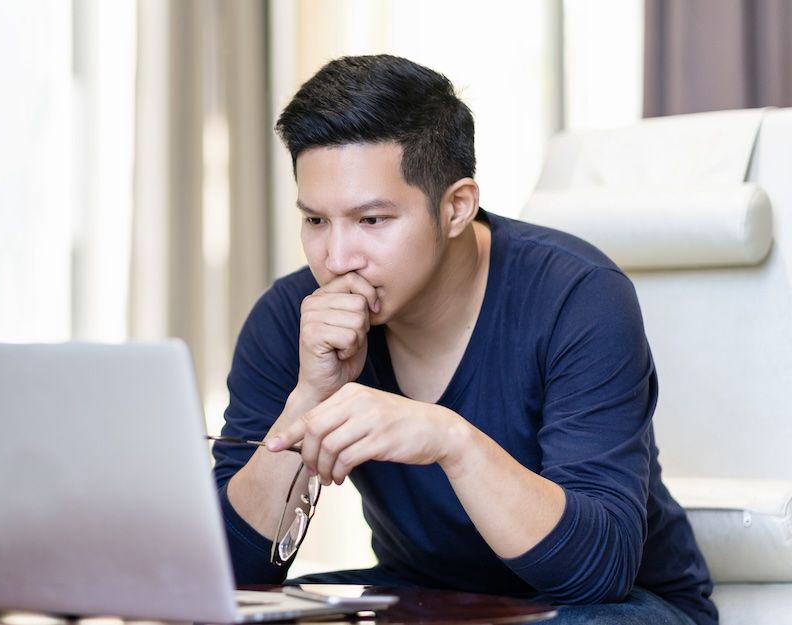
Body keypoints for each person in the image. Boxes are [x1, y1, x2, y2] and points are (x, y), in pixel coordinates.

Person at [211, 55, 716, 625]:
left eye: (372, 220)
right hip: (427, 596)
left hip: (608, 606)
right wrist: (307, 399)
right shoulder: (291, 318)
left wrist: (449, 439)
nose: (337, 258)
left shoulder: (578, 297)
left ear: (455, 207)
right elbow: (226, 575)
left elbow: (596, 572)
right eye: (316, 221)